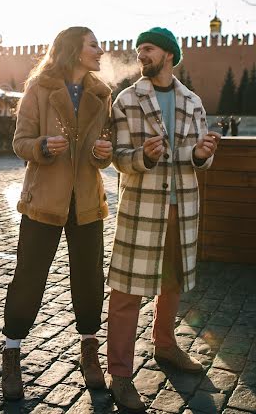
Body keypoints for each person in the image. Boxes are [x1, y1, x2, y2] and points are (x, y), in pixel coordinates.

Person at [107, 27, 220, 412]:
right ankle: (119, 374)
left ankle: (166, 346)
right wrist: (145, 157)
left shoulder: (193, 102)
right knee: (125, 292)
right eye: (139, 49)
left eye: (149, 49)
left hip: (182, 206)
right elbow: (118, 157)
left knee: (172, 280)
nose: (142, 55)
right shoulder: (127, 99)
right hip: (140, 207)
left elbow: (199, 156)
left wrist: (202, 153)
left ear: (169, 55)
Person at [2, 27, 113, 401]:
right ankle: (12, 351)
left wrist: (103, 153)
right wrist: (43, 146)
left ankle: (89, 349)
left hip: (86, 202)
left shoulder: (102, 94)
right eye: (93, 45)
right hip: (44, 200)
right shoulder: (39, 89)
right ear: (73, 50)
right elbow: (20, 143)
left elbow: (106, 150)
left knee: (89, 276)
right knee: (29, 275)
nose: (101, 50)